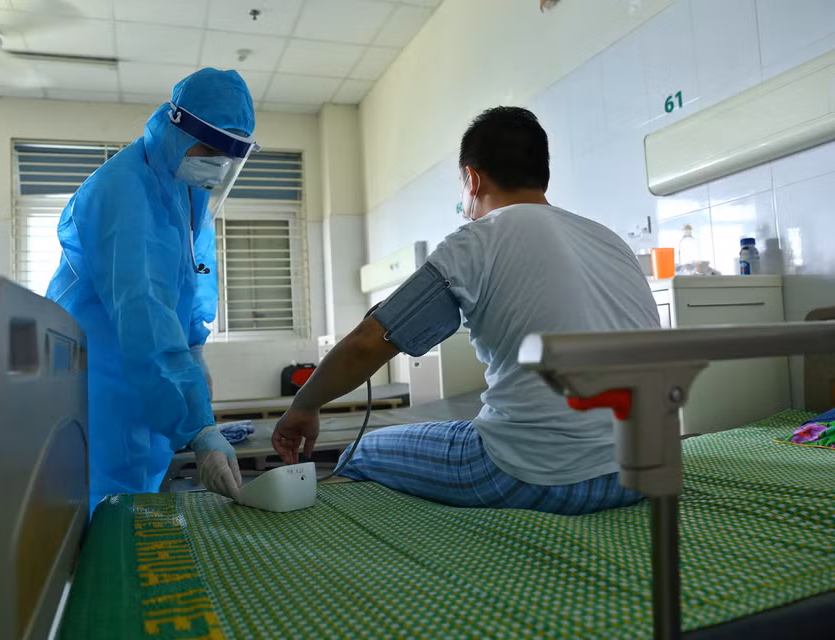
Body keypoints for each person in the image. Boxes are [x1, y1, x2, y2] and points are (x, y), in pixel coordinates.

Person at [272, 106, 660, 515]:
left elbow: (365, 346)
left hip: (540, 477)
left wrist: (304, 406)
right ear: (542, 175)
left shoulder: (479, 239)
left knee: (363, 449)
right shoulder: (610, 241)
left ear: (472, 180)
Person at [46, 69, 258, 510]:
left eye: (228, 156)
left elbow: (196, 272)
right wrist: (199, 427)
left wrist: (196, 347)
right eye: (211, 148)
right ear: (178, 128)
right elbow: (142, 309)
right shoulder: (122, 191)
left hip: (144, 382)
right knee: (95, 518)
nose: (218, 164)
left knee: (135, 511)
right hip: (97, 387)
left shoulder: (187, 189)